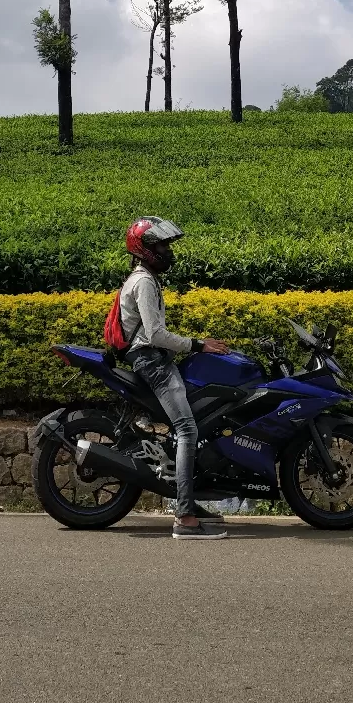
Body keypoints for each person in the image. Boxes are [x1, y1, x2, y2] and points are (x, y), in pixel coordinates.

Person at [120, 216, 230, 540]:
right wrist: (198, 344)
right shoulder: (142, 283)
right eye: (162, 245)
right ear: (146, 249)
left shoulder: (146, 279)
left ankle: (190, 501)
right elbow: (155, 334)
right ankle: (184, 518)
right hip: (151, 361)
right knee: (186, 428)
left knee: (195, 420)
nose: (168, 251)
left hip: (155, 358)